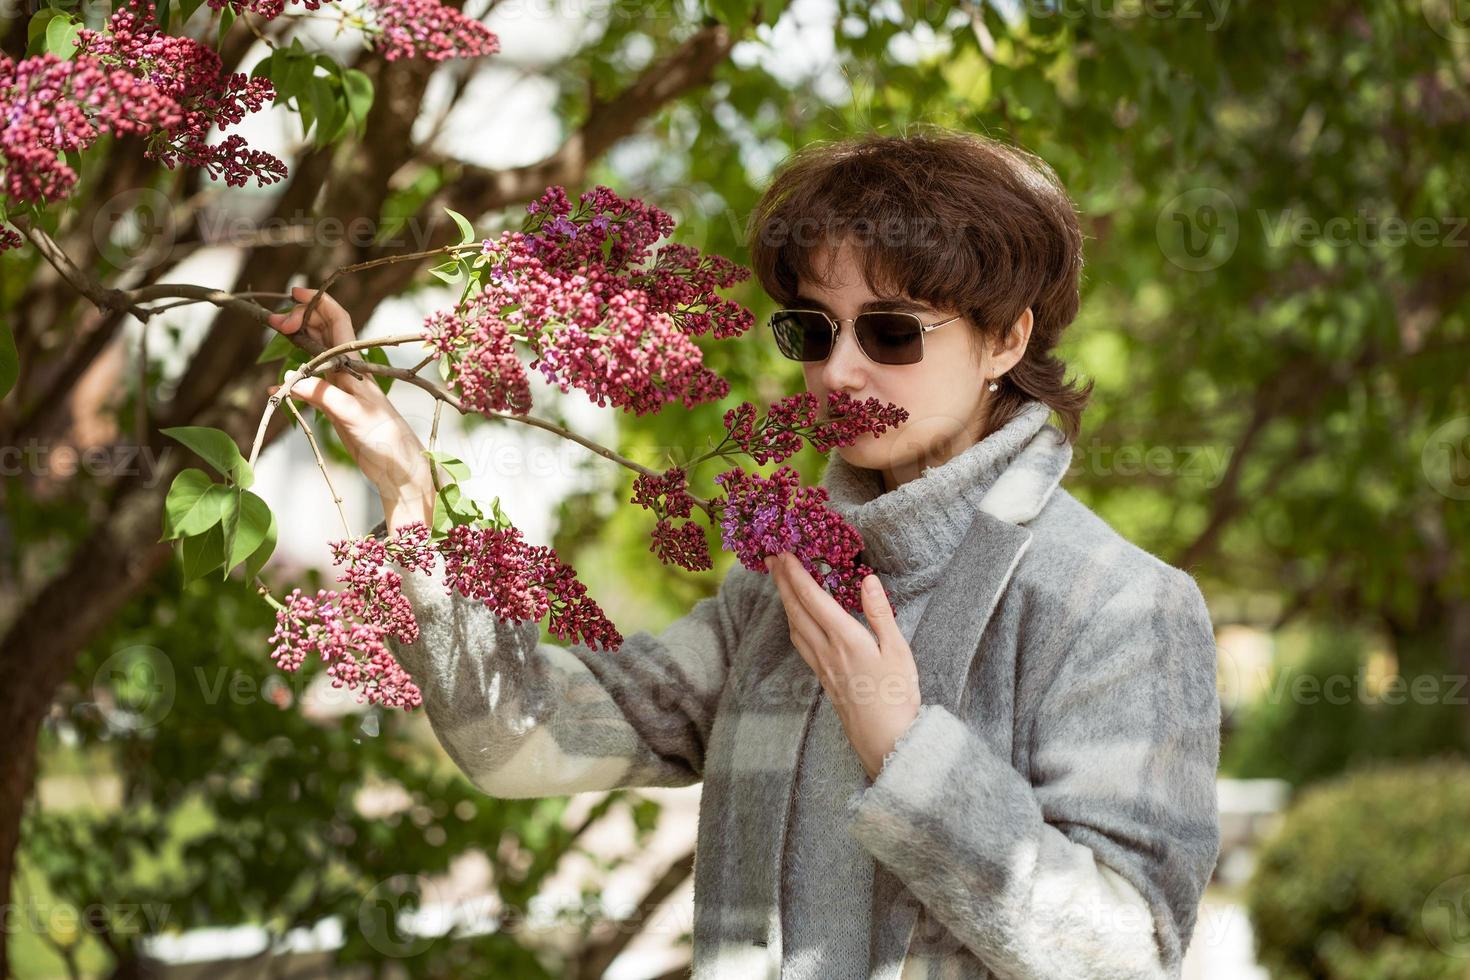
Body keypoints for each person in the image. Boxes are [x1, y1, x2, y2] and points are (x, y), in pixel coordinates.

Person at [265, 127, 1221, 980]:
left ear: (1007, 338)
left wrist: (905, 748)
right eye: (812, 328)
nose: (840, 370)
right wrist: (410, 496)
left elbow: (1126, 957)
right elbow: (517, 742)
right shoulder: (777, 595)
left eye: (892, 331)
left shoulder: (1121, 606)